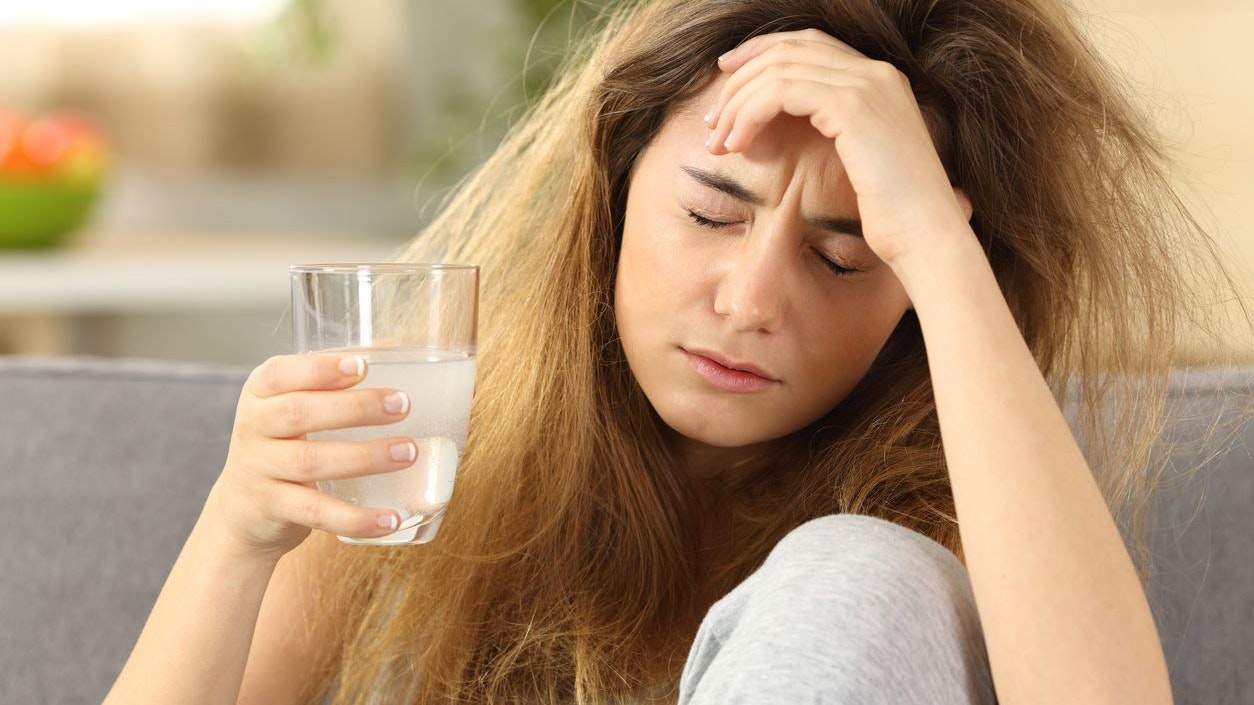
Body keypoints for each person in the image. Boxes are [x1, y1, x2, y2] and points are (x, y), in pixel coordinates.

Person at [104, 0, 1245, 703]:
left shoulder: (965, 534)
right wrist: (238, 531)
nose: (752, 299)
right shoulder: (424, 459)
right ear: (612, 190)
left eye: (848, 255)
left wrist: (937, 249)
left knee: (866, 574)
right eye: (710, 212)